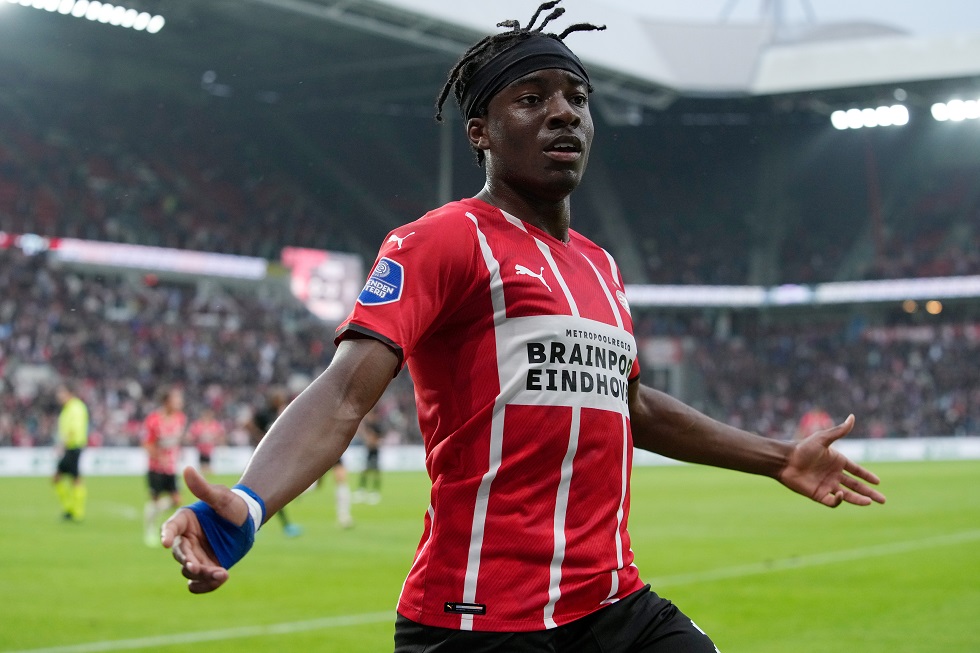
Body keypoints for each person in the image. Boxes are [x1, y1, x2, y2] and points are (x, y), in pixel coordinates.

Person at [162, 3, 886, 651]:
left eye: (577, 98)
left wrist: (777, 457)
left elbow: (632, 406)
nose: (564, 113)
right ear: (479, 132)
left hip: (612, 603)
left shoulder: (601, 266)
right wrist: (248, 503)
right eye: (532, 98)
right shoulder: (441, 240)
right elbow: (347, 390)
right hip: (478, 621)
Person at [246, 388, 305, 537]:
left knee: (268, 491)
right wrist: (260, 438)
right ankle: (280, 526)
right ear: (273, 400)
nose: (281, 401)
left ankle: (256, 525)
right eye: (279, 399)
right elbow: (248, 424)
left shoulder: (278, 413)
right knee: (269, 491)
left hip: (273, 455)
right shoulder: (263, 413)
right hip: (262, 457)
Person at [142, 385, 187, 546]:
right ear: (167, 402)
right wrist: (159, 458)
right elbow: (147, 444)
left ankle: (156, 515)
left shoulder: (180, 418)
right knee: (155, 498)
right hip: (156, 468)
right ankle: (150, 530)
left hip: (172, 467)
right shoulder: (154, 420)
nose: (179, 402)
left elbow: (177, 441)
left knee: (176, 500)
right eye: (176, 399)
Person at [52, 383, 89, 522]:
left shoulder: (76, 408)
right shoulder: (69, 408)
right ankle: (70, 509)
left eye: (61, 392)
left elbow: (74, 429)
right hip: (71, 447)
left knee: (73, 479)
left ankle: (75, 511)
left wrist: (62, 444)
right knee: (67, 478)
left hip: (73, 447)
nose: (59, 396)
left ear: (69, 393)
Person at [353, 408, 383, 505]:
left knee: (375, 472)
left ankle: (375, 491)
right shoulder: (368, 425)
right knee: (364, 471)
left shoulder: (377, 426)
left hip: (374, 452)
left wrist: (371, 441)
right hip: (368, 451)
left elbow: (377, 440)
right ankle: (362, 490)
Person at [187, 408, 225, 477]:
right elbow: (191, 436)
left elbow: (220, 435)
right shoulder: (198, 424)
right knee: (203, 467)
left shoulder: (214, 424)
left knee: (209, 467)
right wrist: (199, 438)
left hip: (211, 450)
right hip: (201, 450)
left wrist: (215, 439)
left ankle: (207, 478)